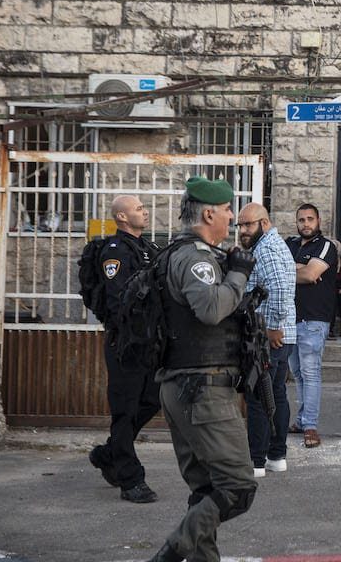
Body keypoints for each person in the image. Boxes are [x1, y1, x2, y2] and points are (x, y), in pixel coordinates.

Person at [145, 177, 258, 562]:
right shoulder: (195, 258)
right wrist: (239, 274)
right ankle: (175, 548)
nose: (232, 218)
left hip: (186, 387)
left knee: (205, 489)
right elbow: (210, 309)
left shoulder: (178, 253)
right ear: (209, 213)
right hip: (202, 390)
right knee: (238, 487)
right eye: (228, 211)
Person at [88, 194, 162, 504]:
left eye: (144, 208)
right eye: (138, 209)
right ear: (121, 217)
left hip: (149, 343)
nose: (145, 213)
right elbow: (121, 300)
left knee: (154, 399)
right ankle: (130, 479)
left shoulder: (149, 249)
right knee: (125, 411)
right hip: (125, 343)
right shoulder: (114, 252)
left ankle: (109, 454)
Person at [236, 202, 296, 479]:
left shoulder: (268, 248)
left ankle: (256, 462)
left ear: (265, 223)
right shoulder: (267, 246)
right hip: (279, 335)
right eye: (240, 225)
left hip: (270, 336)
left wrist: (273, 329)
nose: (243, 230)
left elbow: (280, 290)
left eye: (248, 224)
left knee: (258, 397)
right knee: (276, 394)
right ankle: (276, 456)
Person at [285, 203, 338, 449]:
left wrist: (298, 270)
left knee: (311, 372)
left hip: (314, 319)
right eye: (301, 220)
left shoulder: (326, 246)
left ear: (318, 221)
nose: (306, 224)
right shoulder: (290, 245)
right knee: (298, 374)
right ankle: (302, 419)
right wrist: (301, 269)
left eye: (310, 219)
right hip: (290, 318)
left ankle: (310, 427)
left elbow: (309, 275)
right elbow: (286, 272)